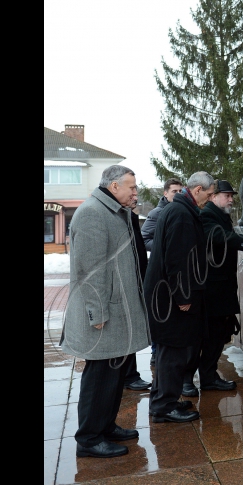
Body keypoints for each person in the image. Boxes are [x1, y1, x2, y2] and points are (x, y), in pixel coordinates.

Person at [60, 165, 150, 458]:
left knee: (114, 377)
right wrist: (96, 314)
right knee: (99, 378)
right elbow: (90, 272)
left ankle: (106, 426)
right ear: (113, 187)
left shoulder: (115, 212)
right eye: (132, 187)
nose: (136, 192)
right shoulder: (92, 214)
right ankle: (88, 438)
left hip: (118, 311)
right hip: (102, 316)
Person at [182, 180, 243, 396]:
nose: (231, 199)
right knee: (204, 336)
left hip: (222, 287)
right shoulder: (207, 215)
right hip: (212, 288)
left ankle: (209, 376)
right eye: (227, 195)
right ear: (213, 196)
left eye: (232, 196)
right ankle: (187, 379)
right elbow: (220, 237)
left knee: (217, 335)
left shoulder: (219, 214)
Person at [142, 171, 216, 423]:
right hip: (171, 299)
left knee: (168, 352)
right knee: (172, 353)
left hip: (165, 295)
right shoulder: (182, 214)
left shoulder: (179, 209)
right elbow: (178, 260)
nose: (211, 197)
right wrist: (183, 296)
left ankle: (164, 400)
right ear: (197, 191)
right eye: (209, 193)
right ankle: (164, 407)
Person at [140, 177, 183, 365]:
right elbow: (144, 239)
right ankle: (156, 353)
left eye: (180, 191)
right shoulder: (157, 213)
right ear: (165, 193)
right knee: (160, 313)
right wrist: (163, 249)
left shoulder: (182, 211)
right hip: (160, 272)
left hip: (175, 270)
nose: (178, 194)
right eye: (174, 191)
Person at [120, 192, 154, 391]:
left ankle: (130, 374)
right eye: (131, 191)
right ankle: (128, 376)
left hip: (137, 279)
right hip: (127, 282)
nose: (135, 196)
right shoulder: (120, 218)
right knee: (126, 330)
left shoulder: (130, 216)